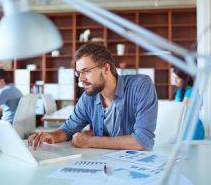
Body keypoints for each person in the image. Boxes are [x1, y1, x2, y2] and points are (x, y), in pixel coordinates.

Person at [28, 43, 158, 150]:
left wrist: (90, 141)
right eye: (78, 73)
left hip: (134, 166)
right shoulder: (88, 97)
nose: (81, 79)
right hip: (102, 164)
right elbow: (68, 130)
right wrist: (51, 135)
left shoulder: (140, 85)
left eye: (86, 71)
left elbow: (143, 142)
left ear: (106, 69)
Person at [172, 67, 205, 140]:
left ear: (185, 79)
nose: (175, 81)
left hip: (193, 131)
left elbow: (181, 111)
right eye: (174, 78)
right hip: (185, 130)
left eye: (177, 78)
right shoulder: (180, 91)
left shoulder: (191, 91)